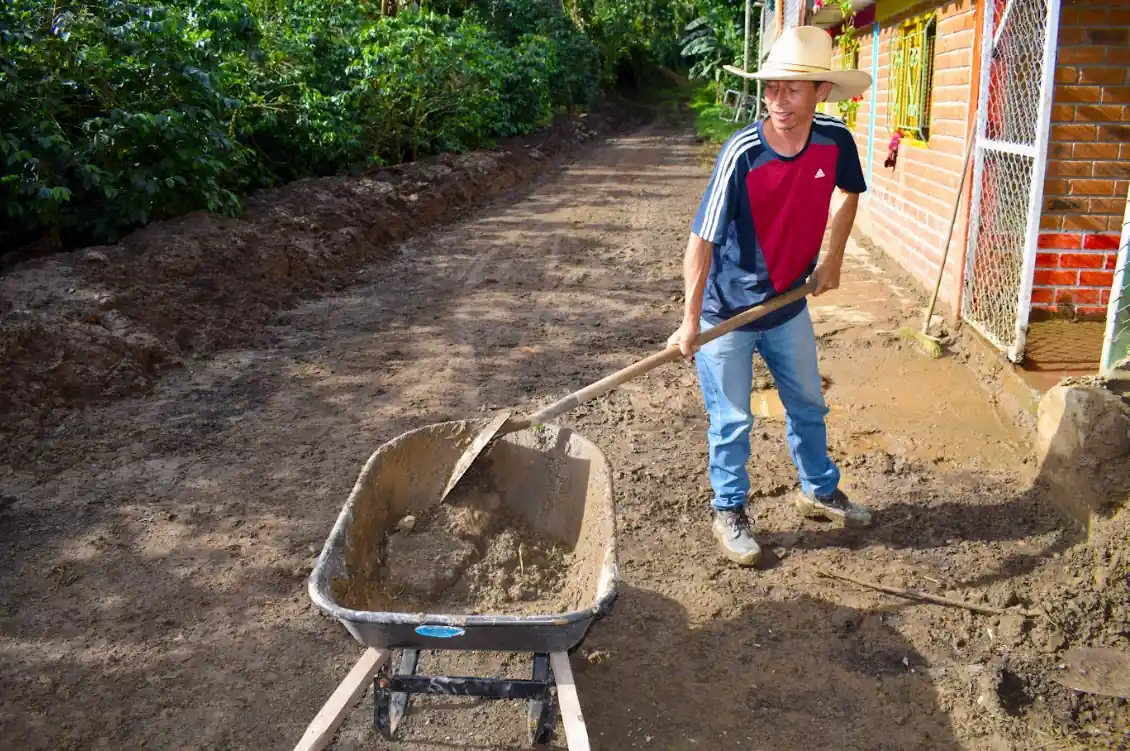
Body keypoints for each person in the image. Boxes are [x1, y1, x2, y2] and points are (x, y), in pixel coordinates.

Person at [667, 26, 875, 566]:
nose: (778, 101)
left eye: (792, 89)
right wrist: (690, 320)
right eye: (771, 88)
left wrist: (833, 257)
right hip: (726, 314)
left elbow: (850, 193)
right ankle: (730, 509)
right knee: (732, 419)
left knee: (808, 403)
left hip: (787, 306)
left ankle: (819, 489)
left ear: (820, 92)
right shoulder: (742, 152)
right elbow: (701, 240)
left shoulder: (836, 142)